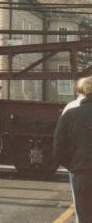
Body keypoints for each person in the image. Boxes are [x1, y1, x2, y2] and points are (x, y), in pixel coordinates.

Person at [53, 76, 92, 223]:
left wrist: (73, 166)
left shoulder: (70, 113)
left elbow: (58, 148)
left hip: (81, 172)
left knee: (83, 216)